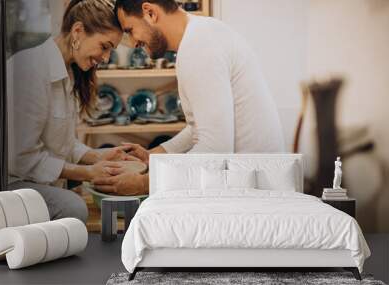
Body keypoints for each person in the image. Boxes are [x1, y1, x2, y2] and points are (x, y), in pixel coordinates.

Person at [92, 0, 285, 195]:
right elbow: (200, 128)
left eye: (130, 30)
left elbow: (215, 149)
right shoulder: (201, 34)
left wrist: (144, 183)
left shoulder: (198, 48)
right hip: (253, 179)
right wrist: (153, 157)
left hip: (255, 191)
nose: (133, 43)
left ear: (150, 12)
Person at [7, 0, 133, 223]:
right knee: (75, 208)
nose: (105, 58)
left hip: (40, 178)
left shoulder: (69, 72)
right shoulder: (30, 69)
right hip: (13, 181)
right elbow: (21, 161)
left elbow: (66, 144)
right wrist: (87, 173)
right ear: (77, 31)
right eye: (104, 47)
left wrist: (99, 156)